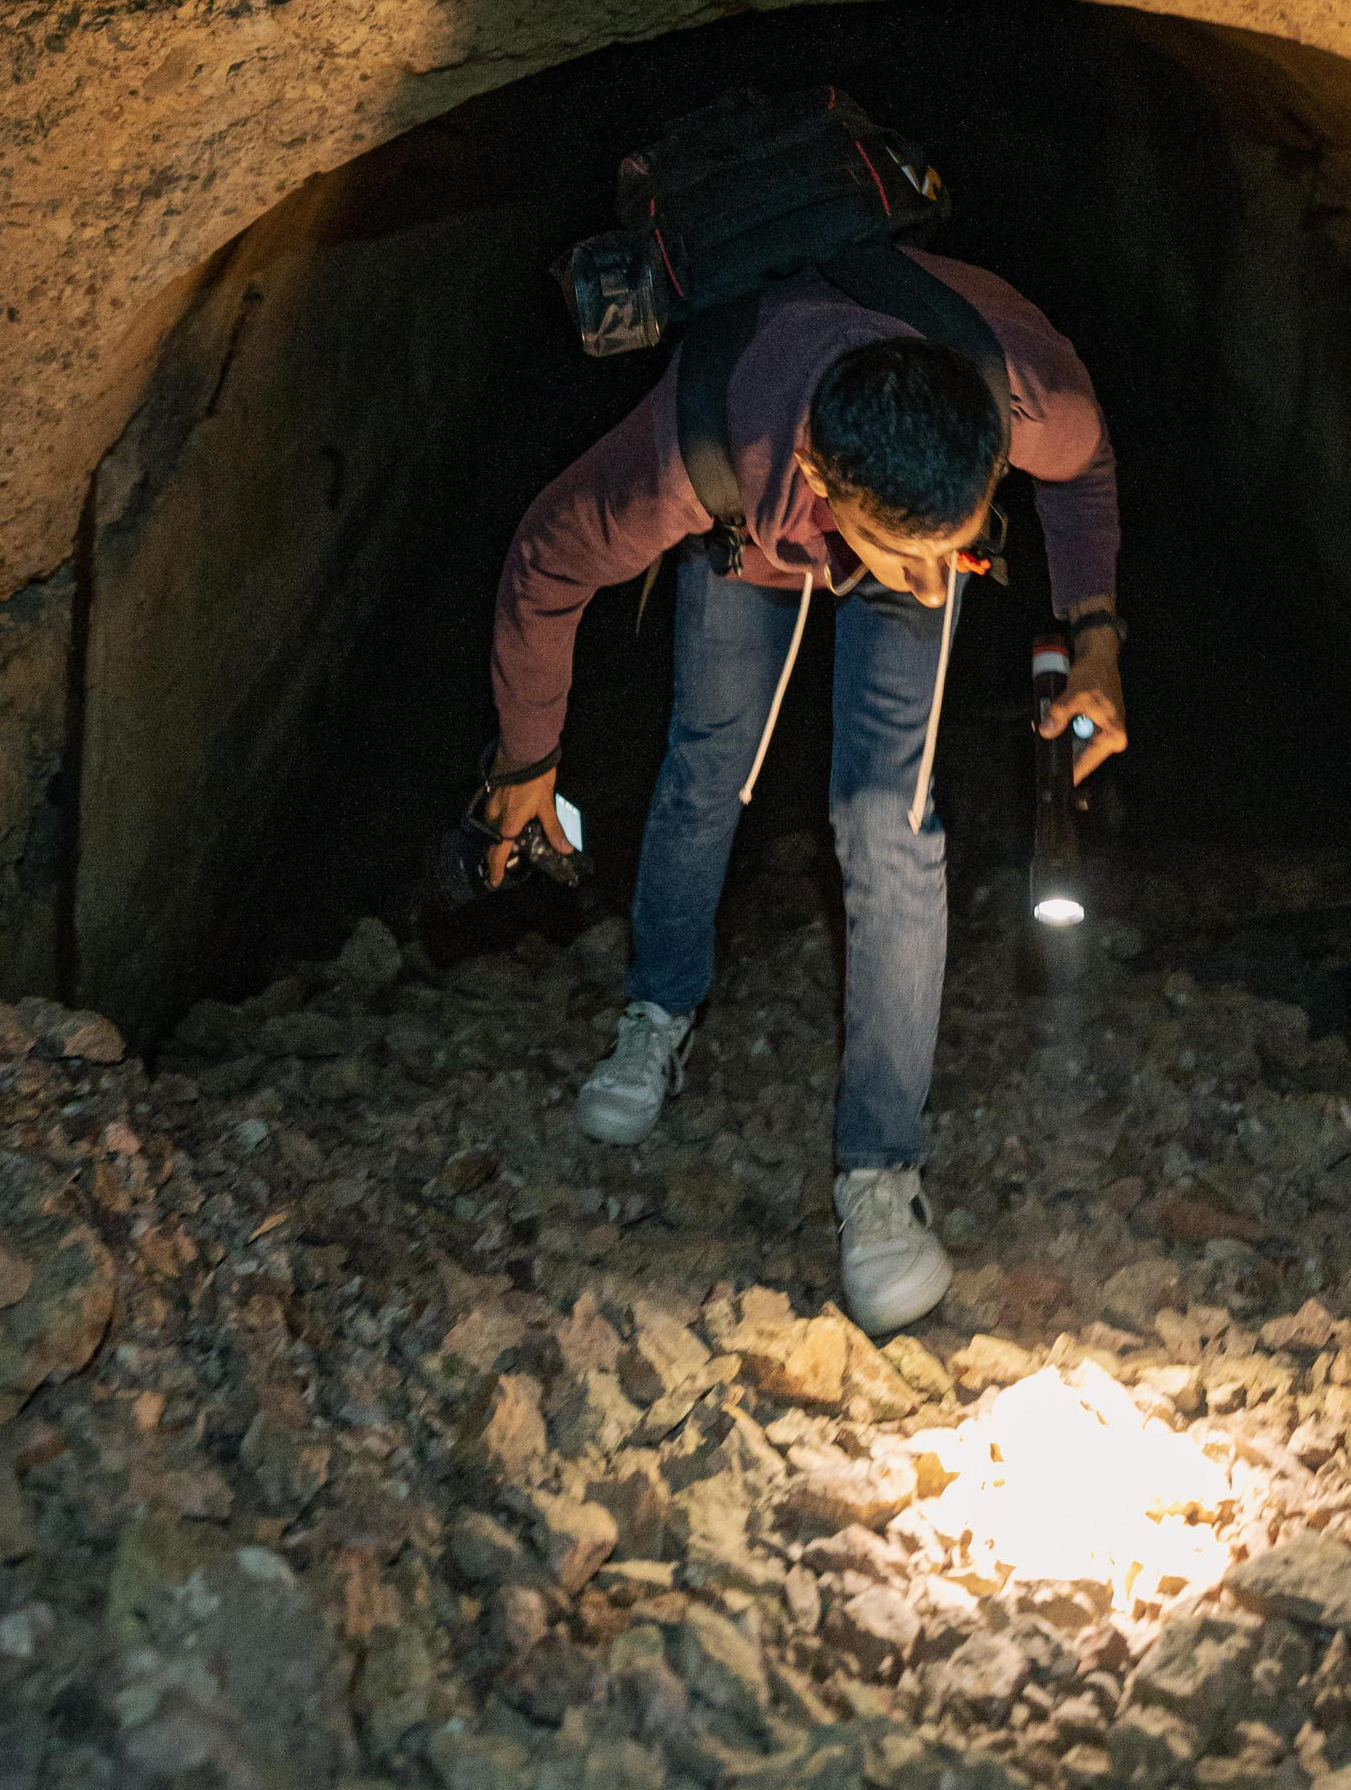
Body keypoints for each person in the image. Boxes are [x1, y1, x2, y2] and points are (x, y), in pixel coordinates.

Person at [476, 245, 1127, 1329]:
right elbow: (544, 565)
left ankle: (879, 1174)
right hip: (758, 525)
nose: (930, 587)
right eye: (911, 557)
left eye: (954, 550)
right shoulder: (695, 460)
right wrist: (524, 763)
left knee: (885, 821)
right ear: (827, 485)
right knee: (706, 756)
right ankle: (659, 1009)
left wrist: (1097, 630)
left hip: (897, 469)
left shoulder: (1019, 397)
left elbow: (1086, 466)